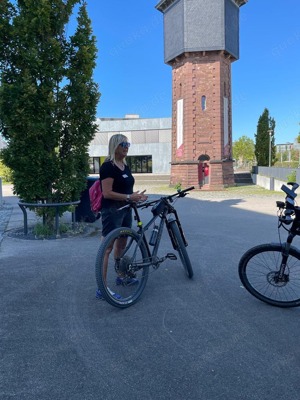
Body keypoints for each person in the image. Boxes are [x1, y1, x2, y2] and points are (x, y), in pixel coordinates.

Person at [96, 134, 148, 299]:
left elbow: (125, 190)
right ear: (115, 146)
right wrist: (128, 197)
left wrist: (135, 196)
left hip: (126, 210)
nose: (126, 147)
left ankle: (121, 276)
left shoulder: (124, 166)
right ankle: (102, 289)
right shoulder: (108, 166)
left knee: (121, 245)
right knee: (107, 248)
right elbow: (107, 193)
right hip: (112, 212)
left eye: (128, 144)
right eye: (123, 144)